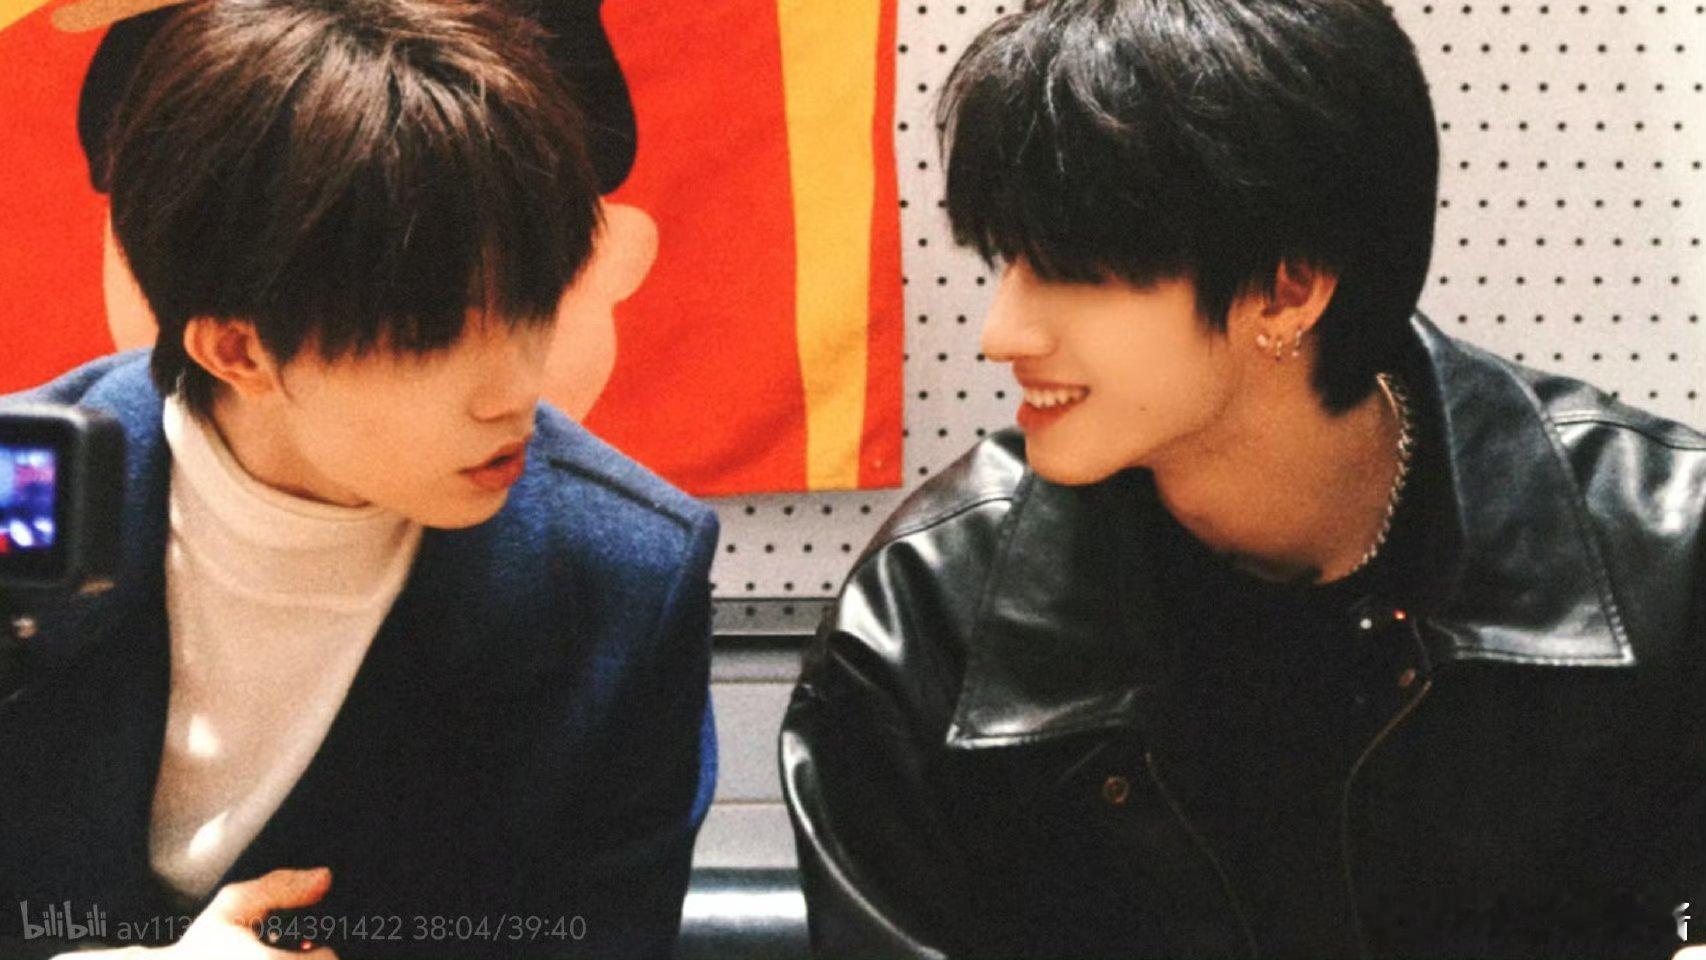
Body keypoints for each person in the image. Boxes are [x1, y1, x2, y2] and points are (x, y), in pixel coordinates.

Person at [780, 0, 1706, 957]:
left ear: (1286, 289)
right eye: (1010, 261)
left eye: (1071, 271)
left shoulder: (1667, 557)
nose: (1001, 333)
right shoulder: (928, 615)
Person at [0, 1, 717, 957]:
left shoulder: (621, 578)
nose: (516, 389)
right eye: (431, 338)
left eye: (533, 305)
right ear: (236, 350)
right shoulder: (20, 493)